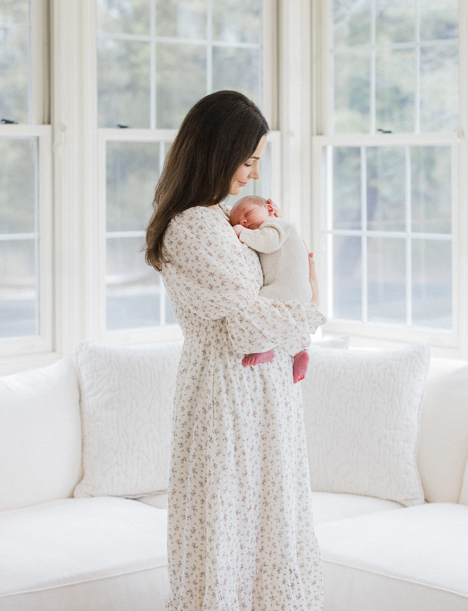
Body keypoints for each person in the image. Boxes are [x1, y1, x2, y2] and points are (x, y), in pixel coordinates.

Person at [144, 91, 325, 611]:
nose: (254, 175)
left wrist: (291, 307)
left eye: (257, 162)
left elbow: (263, 312)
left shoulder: (224, 220)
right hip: (230, 397)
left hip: (259, 394)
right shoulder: (197, 225)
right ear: (217, 153)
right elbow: (251, 327)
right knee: (232, 534)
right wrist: (309, 299)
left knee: (263, 532)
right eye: (248, 162)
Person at [228, 195, 312, 383]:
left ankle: (264, 348)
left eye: (248, 213)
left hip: (285, 288)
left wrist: (241, 232)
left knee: (252, 309)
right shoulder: (270, 229)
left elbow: (268, 243)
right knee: (286, 322)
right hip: (297, 290)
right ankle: (299, 351)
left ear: (270, 209)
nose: (243, 221)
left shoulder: (277, 225)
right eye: (238, 221)